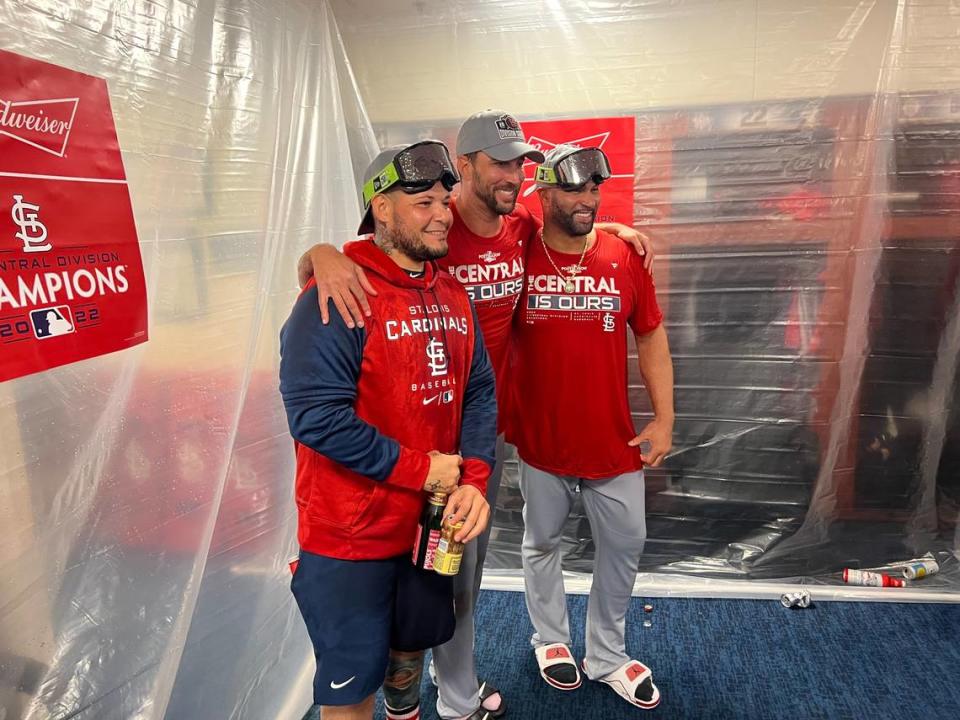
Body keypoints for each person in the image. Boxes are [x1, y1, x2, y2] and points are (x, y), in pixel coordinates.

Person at [296, 109, 655, 719]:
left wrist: (609, 226)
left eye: (520, 162)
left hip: (464, 446)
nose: (512, 173)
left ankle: (455, 697)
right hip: (375, 485)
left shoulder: (510, 235)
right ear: (465, 168)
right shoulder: (400, 253)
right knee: (360, 655)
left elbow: (564, 232)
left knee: (449, 588)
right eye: (498, 162)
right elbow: (318, 402)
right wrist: (321, 252)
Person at [279, 140, 497, 720]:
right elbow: (315, 417)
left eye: (444, 200)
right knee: (351, 690)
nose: (442, 214)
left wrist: (472, 479)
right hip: (351, 537)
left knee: (410, 652)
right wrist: (422, 469)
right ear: (381, 208)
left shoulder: (451, 289)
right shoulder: (338, 290)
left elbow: (477, 391)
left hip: (431, 525)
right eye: (423, 201)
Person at [508, 144, 674, 710]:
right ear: (545, 194)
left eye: (595, 191)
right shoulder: (518, 251)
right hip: (541, 439)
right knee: (541, 542)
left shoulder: (624, 256)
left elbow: (649, 334)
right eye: (575, 190)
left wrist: (665, 417)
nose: (589, 200)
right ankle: (550, 640)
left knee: (626, 545)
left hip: (613, 437)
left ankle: (606, 654)